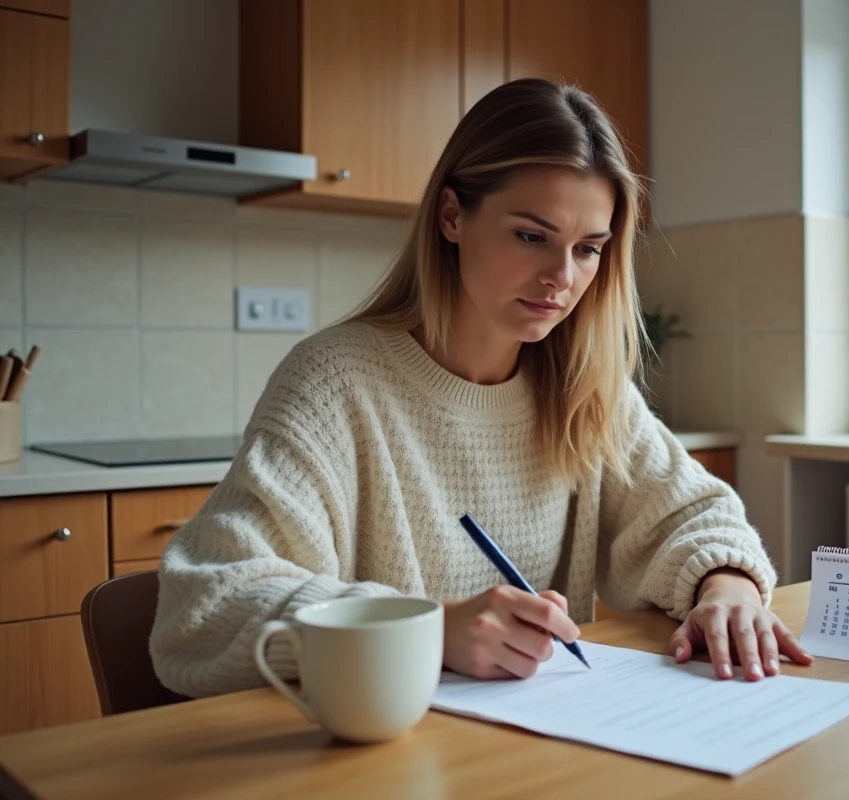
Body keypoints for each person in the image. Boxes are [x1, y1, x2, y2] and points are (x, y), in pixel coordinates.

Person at [149, 78, 812, 698]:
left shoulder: (582, 387)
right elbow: (204, 602)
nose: (562, 277)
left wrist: (727, 590)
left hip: (541, 749)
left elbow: (695, 516)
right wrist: (428, 627)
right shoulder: (335, 382)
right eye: (532, 236)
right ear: (451, 216)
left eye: (589, 248)